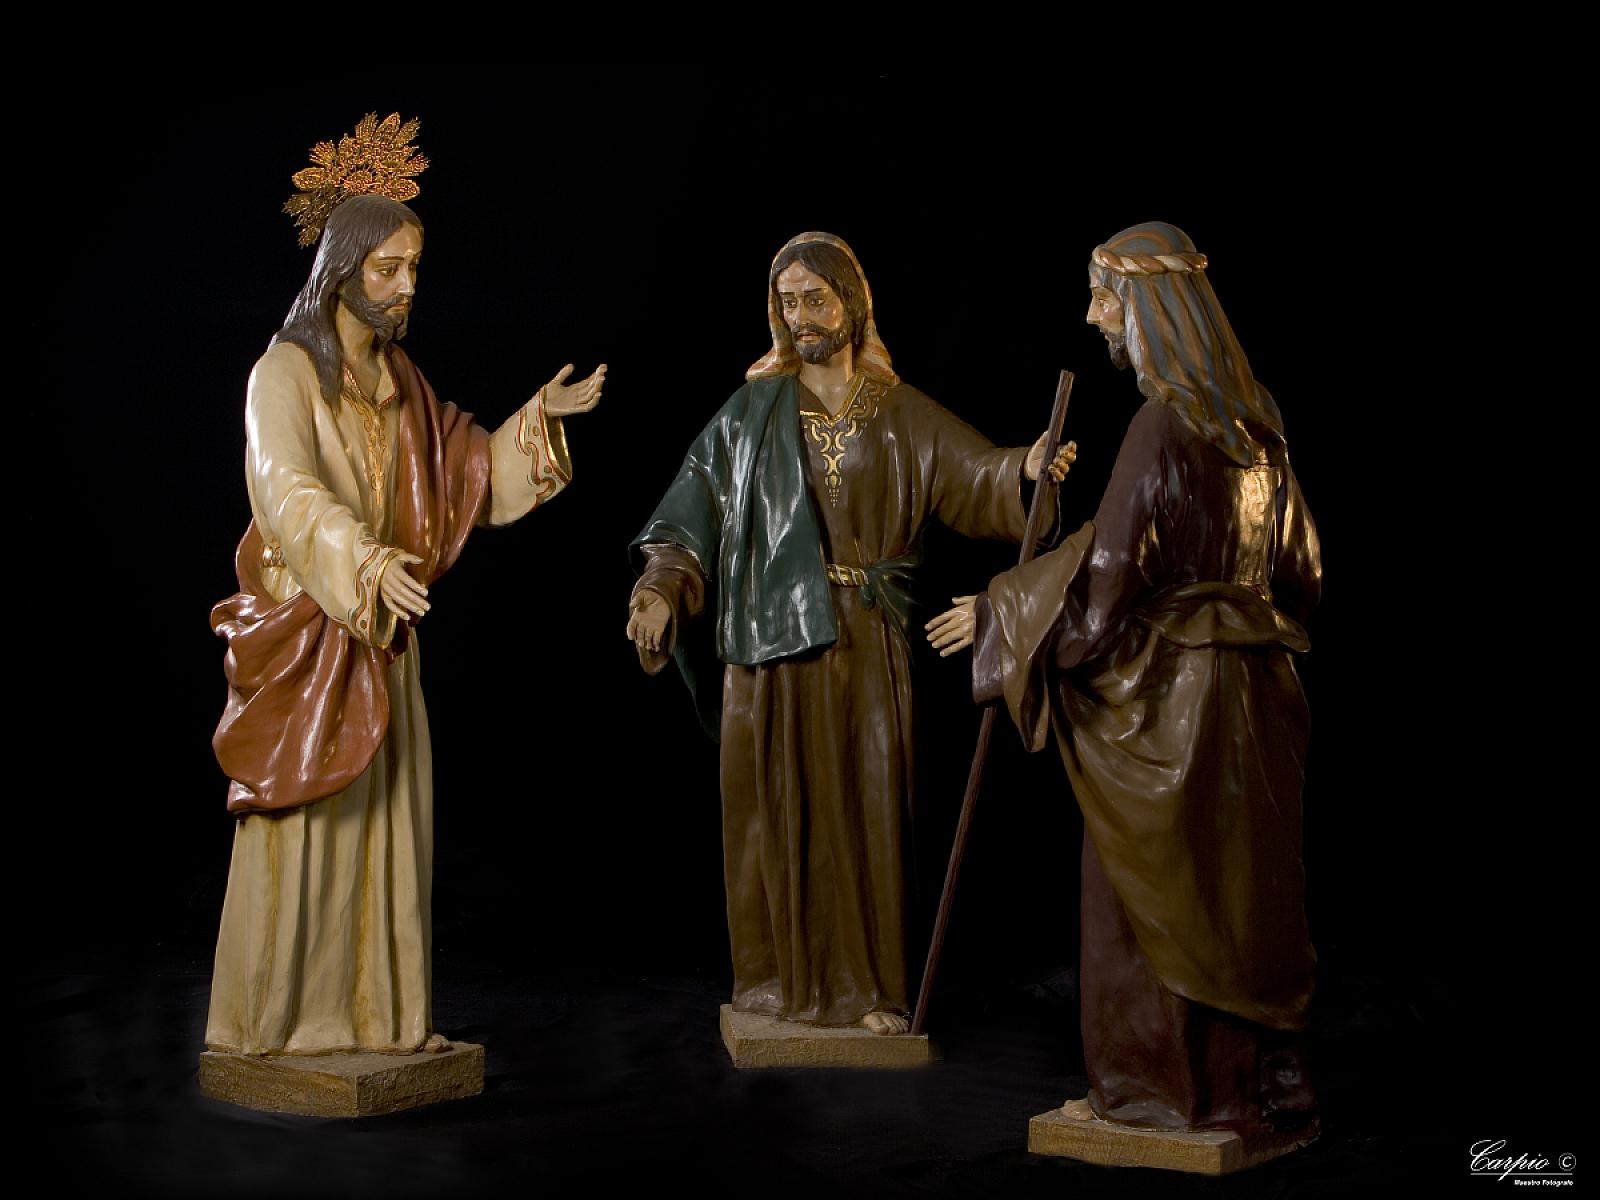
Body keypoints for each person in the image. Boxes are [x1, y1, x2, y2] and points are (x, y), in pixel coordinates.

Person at [205, 119, 604, 1056]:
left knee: (386, 830)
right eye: (389, 269)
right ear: (341, 270)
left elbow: (464, 475)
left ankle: (377, 1021)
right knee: (310, 832)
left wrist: (534, 422)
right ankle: (284, 1028)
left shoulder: (401, 384)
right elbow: (285, 491)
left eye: (414, 268)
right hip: (315, 633)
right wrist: (366, 561)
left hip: (382, 638)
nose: (407, 285)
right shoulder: (282, 374)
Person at [626, 232, 1072, 1036]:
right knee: (776, 811)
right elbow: (687, 519)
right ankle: (779, 988)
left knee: (870, 811)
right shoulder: (749, 414)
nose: (801, 315)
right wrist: (660, 590)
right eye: (788, 301)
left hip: (865, 642)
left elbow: (973, 473)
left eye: (816, 298)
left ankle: (869, 990)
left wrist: (1025, 470)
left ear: (852, 303)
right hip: (770, 649)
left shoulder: (897, 411)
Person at [948, 222, 1320, 1133]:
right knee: (1239, 893)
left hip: (1170, 704)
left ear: (1149, 307)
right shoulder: (1260, 421)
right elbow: (1304, 571)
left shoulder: (1160, 423)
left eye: (1103, 298)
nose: (1092, 318)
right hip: (1261, 695)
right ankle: (1248, 1086)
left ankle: (1162, 1095)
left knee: (1150, 899)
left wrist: (1003, 617)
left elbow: (1111, 581)